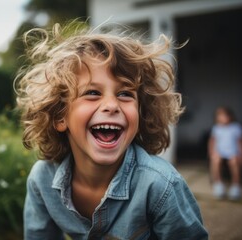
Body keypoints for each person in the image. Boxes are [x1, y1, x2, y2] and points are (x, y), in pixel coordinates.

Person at [15, 22, 208, 239]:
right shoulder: (42, 179)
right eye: (93, 92)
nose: (112, 105)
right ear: (60, 116)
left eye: (126, 94)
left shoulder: (160, 185)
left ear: (141, 113)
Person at [208, 106, 242, 200]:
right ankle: (218, 184)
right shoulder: (216, 128)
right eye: (220, 116)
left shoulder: (236, 127)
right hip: (220, 152)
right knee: (215, 160)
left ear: (230, 116)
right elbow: (212, 142)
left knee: (234, 162)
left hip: (233, 153)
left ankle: (236, 185)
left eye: (224, 115)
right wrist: (212, 152)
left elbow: (241, 143)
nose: (222, 118)